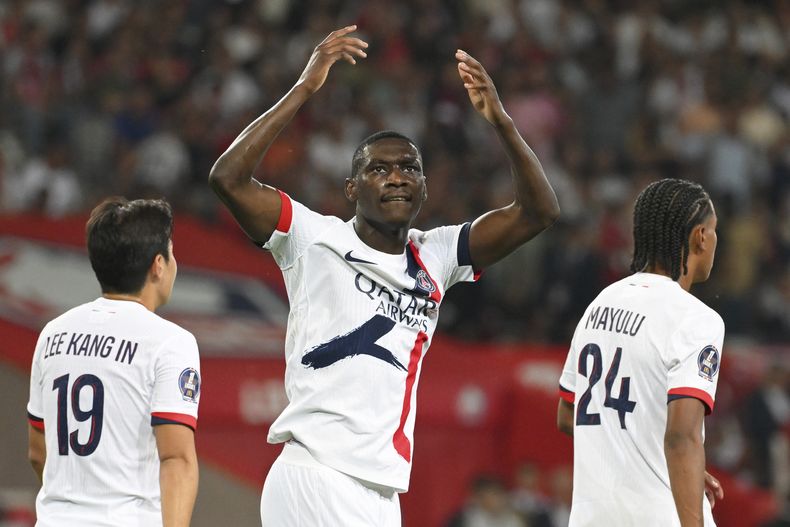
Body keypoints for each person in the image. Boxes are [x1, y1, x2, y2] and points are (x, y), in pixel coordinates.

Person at [209, 25, 559, 527]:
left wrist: (501, 122)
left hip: (382, 494)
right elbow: (228, 179)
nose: (397, 176)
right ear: (351, 188)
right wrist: (306, 87)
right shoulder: (313, 238)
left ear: (423, 186)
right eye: (379, 169)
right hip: (316, 475)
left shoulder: (435, 254)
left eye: (409, 168)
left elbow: (538, 212)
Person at [557, 178, 725, 526]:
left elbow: (566, 414)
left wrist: (678, 466)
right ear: (700, 237)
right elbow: (681, 438)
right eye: (714, 229)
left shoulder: (600, 304)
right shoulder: (696, 319)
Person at [26, 197, 200, 527]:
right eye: (172, 252)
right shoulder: (170, 342)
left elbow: (37, 451)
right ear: (158, 264)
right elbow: (176, 458)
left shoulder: (52, 334)